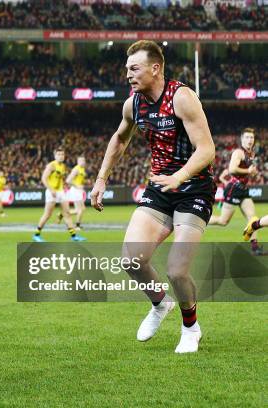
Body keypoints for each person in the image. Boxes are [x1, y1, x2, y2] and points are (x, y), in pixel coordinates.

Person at [90, 41, 216, 353]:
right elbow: (120, 138)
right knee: (131, 259)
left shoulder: (182, 97)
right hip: (159, 190)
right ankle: (160, 304)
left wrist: (179, 176)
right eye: (127, 69)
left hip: (193, 189)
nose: (128, 74)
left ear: (155, 68)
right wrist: (101, 178)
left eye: (134, 68)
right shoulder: (133, 104)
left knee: (176, 269)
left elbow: (207, 149)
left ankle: (191, 328)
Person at [208, 128, 261, 255]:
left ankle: (255, 248)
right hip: (233, 189)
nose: (250, 140)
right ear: (242, 139)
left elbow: (247, 173)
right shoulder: (238, 152)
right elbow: (232, 169)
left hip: (243, 190)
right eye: (247, 137)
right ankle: (198, 218)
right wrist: (248, 171)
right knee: (223, 221)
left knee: (253, 219)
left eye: (252, 138)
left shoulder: (251, 153)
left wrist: (253, 174)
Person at [32, 147, 86, 242]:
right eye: (59, 154)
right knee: (47, 214)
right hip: (51, 192)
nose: (61, 156)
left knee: (67, 214)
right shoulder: (51, 165)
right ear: (55, 155)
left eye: (62, 154)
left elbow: (60, 179)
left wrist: (64, 186)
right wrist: (51, 189)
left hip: (61, 192)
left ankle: (74, 236)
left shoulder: (63, 166)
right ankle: (36, 234)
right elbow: (44, 178)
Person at [65, 156, 87, 230]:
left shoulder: (82, 169)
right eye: (81, 160)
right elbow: (68, 180)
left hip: (78, 191)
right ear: (78, 161)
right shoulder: (76, 169)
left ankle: (64, 214)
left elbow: (79, 180)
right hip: (75, 191)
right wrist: (77, 186)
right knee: (80, 209)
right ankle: (77, 225)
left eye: (83, 160)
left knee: (82, 209)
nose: (83, 162)